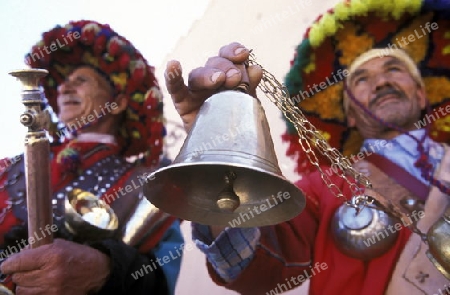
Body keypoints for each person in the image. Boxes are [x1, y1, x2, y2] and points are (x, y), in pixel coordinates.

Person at [165, 0, 450, 294]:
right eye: (362, 79)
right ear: (349, 115)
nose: (380, 83)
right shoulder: (321, 187)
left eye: (393, 69)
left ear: (421, 94)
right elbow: (254, 267)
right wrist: (219, 153)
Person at [0, 20, 183, 295]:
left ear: (118, 102)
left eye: (80, 80)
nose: (64, 88)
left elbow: (160, 280)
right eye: (62, 83)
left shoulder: (148, 182)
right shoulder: (10, 167)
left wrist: (107, 270)